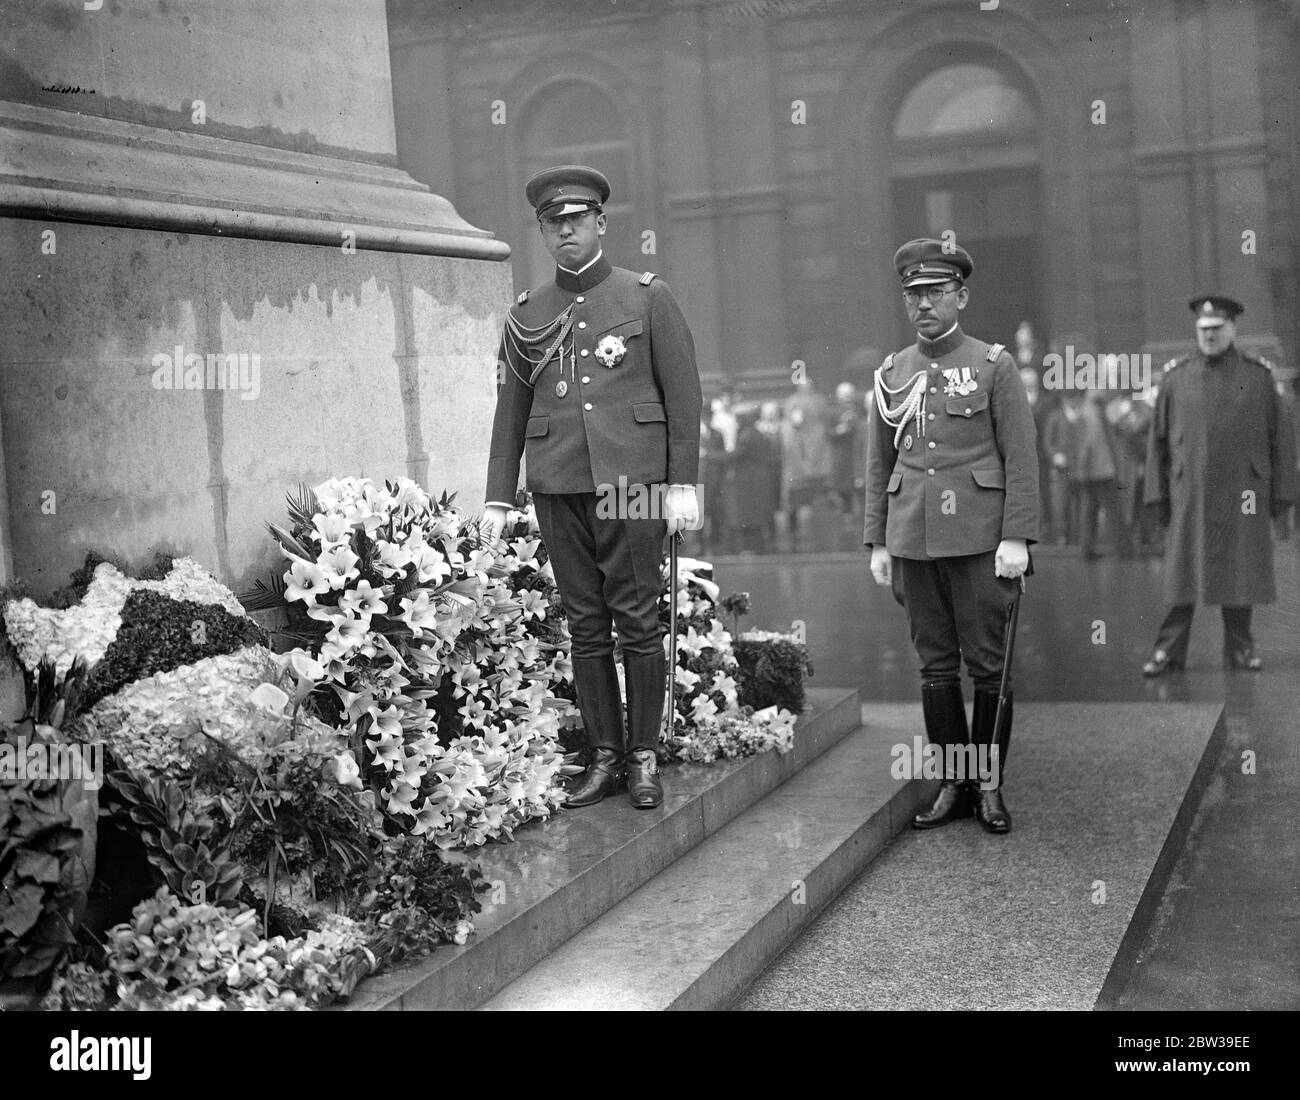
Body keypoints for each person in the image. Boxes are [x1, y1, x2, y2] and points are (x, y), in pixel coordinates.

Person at [481, 165, 703, 807]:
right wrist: (500, 493)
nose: (565, 232)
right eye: (553, 224)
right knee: (585, 622)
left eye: (576, 221)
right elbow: (510, 410)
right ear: (543, 233)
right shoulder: (529, 313)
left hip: (633, 483)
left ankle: (643, 757)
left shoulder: (645, 296)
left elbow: (683, 397)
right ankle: (604, 755)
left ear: (601, 223)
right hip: (559, 483)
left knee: (637, 617)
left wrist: (681, 484)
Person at [864, 238, 1039, 834]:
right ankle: (952, 783)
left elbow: (1021, 457)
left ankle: (988, 786)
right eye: (913, 295)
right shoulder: (892, 373)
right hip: (913, 536)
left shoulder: (993, 364)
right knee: (935, 664)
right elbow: (877, 464)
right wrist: (878, 542)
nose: (923, 305)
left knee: (988, 665)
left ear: (961, 296)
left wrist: (1016, 537)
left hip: (980, 539)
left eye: (936, 292)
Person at [1141, 296, 1296, 676]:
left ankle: (1241, 649)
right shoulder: (1176, 379)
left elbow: (1281, 441)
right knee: (1181, 580)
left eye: (1216, 329)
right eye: (1203, 330)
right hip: (1189, 497)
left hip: (1243, 494)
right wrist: (1157, 497)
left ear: (1232, 330)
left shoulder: (1258, 378)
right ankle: (1168, 651)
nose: (1209, 336)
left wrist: (1282, 497)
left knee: (1240, 574)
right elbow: (1157, 444)